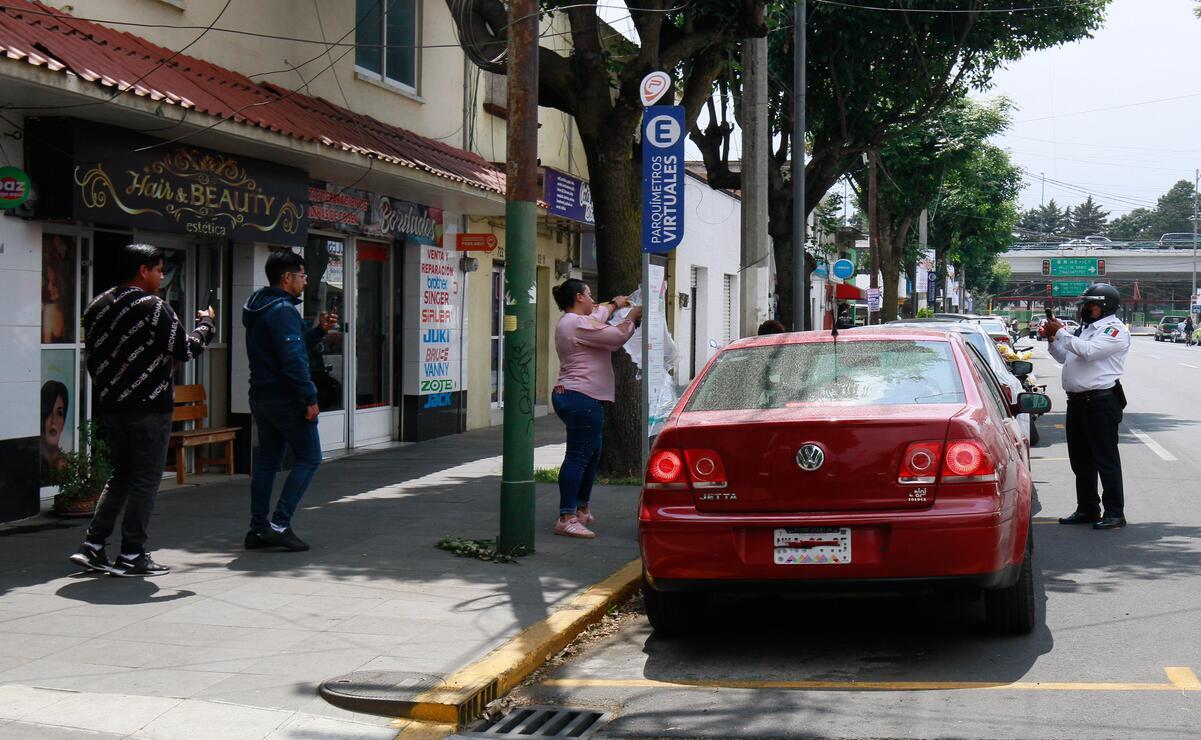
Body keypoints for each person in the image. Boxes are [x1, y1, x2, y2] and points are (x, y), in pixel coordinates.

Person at [69, 244, 215, 576]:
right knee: (146, 479)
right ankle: (132, 553)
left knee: (121, 474)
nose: (162, 277)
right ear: (142, 271)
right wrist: (206, 325)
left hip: (111, 404)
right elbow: (185, 348)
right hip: (150, 406)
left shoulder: (96, 305)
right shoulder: (153, 307)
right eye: (159, 270)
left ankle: (93, 545)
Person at [242, 250, 338, 552]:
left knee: (268, 462)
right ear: (287, 277)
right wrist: (309, 397)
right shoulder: (283, 310)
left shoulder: (258, 305)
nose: (305, 282)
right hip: (286, 398)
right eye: (302, 276)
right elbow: (293, 360)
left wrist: (318, 331)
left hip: (262, 396)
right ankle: (279, 525)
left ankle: (258, 528)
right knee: (310, 457)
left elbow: (285, 349)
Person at [550, 279, 641, 538]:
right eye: (589, 295)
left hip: (580, 396)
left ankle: (580, 509)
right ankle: (566, 517)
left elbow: (600, 313)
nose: (593, 300)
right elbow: (616, 337)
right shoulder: (574, 323)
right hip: (581, 396)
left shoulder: (579, 320)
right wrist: (632, 317)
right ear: (579, 297)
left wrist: (615, 304)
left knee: (591, 454)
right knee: (578, 456)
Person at [1046, 283, 1131, 530]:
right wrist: (1053, 339)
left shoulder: (1114, 330)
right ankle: (1087, 508)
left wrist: (1062, 333)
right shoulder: (1085, 329)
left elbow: (1090, 352)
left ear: (1105, 307)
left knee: (1105, 459)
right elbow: (1065, 357)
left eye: (1090, 305)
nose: (1084, 309)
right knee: (1080, 460)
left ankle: (1114, 512)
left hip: (1101, 402)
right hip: (1077, 401)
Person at [40, 380, 69, 482]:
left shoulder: (69, 466)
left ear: (64, 422)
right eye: (48, 412)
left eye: (59, 413)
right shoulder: (32, 461)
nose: (53, 421)